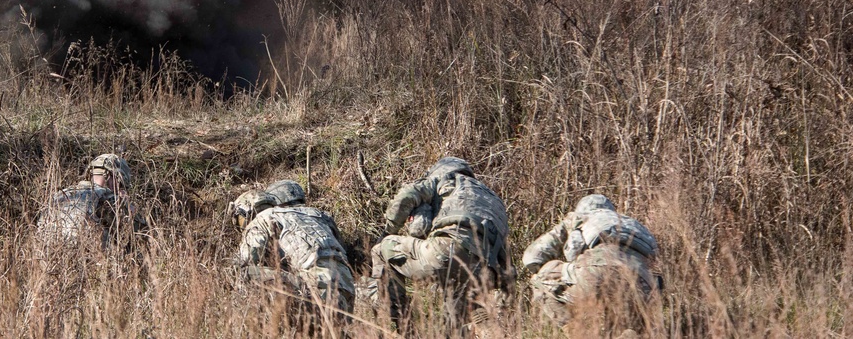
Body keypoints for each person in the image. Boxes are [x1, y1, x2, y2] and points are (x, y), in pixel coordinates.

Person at [363, 156, 514, 329]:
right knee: (455, 326)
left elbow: (406, 197)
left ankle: (400, 326)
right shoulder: (493, 199)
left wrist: (388, 232)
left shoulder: (444, 180)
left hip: (447, 250)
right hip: (484, 269)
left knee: (381, 251)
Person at [522, 194, 659, 332]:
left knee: (539, 280)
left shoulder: (580, 218)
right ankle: (632, 332)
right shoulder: (634, 225)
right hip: (643, 283)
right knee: (629, 323)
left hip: (597, 270)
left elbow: (533, 257)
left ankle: (576, 332)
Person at [230, 180, 356, 323]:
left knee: (243, 272)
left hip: (314, 292)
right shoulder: (318, 214)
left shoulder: (262, 219)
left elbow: (245, 261)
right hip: (347, 294)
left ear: (245, 212)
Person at [37, 153, 144, 250]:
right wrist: (128, 207)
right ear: (114, 177)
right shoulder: (108, 197)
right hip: (85, 258)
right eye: (120, 185)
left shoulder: (60, 194)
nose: (119, 189)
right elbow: (142, 234)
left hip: (47, 254)